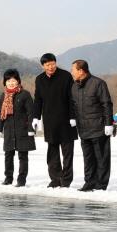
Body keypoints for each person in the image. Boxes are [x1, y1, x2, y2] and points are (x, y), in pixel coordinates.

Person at [32, 53, 78, 188]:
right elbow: (38, 99)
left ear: (55, 63)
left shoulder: (65, 76)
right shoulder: (39, 79)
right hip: (50, 120)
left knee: (67, 151)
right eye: (47, 65)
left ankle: (66, 179)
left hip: (66, 120)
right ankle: (55, 178)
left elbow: (72, 98)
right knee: (52, 151)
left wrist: (73, 116)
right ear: (43, 66)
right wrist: (36, 117)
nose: (51, 67)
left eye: (53, 64)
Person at [71, 60, 114, 191]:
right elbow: (73, 105)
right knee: (88, 158)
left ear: (81, 70)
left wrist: (108, 123)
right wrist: (72, 117)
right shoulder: (74, 86)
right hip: (83, 129)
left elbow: (106, 104)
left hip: (98, 127)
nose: (72, 72)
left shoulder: (98, 83)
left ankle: (101, 185)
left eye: (73, 70)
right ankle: (89, 182)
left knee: (101, 158)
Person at [0, 69, 36, 187]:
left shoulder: (25, 94)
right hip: (8, 130)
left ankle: (21, 179)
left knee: (23, 156)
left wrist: (30, 129)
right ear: (5, 82)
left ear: (18, 81)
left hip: (22, 130)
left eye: (13, 80)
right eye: (8, 80)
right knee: (8, 155)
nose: (11, 83)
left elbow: (31, 113)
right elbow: (0, 114)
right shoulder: (4, 95)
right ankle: (8, 178)